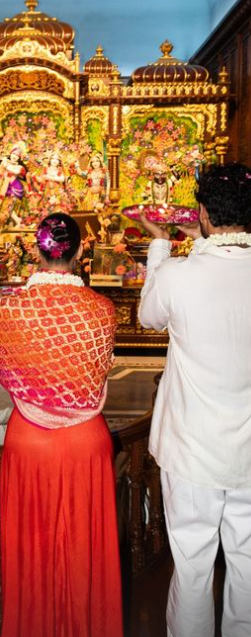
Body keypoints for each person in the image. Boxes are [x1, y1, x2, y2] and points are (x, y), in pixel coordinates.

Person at [0, 213, 123, 637]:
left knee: (33, 552)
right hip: (86, 440)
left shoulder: (8, 307)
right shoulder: (102, 311)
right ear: (81, 251)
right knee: (85, 551)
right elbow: (97, 373)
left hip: (30, 439)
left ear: (37, 251)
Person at [138, 162, 251, 637]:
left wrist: (163, 241)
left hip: (192, 448)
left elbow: (148, 318)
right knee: (247, 566)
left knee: (192, 566)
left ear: (202, 213)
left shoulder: (178, 275)